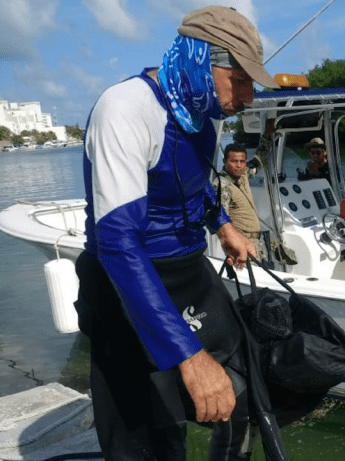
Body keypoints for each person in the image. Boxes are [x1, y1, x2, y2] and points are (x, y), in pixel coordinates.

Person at [73, 6, 281, 460]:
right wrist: (189, 357)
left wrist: (222, 224)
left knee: (247, 389)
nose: (248, 97)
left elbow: (195, 187)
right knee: (153, 434)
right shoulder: (125, 109)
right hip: (126, 278)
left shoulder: (206, 112)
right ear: (201, 60)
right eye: (241, 80)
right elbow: (117, 243)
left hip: (188, 268)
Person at [216, 120, 276, 262]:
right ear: (225, 162)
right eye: (234, 161)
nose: (239, 165)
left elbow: (258, 161)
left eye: (242, 161)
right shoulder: (222, 185)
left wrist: (267, 135)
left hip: (258, 242)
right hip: (243, 245)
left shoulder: (243, 175)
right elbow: (221, 220)